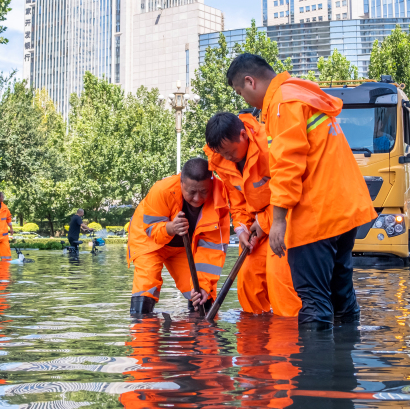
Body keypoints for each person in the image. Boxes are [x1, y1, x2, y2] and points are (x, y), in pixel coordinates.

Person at [226, 53, 376, 329]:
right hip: (343, 211)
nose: (245, 101)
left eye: (240, 92)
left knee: (313, 300)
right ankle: (344, 364)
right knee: (341, 294)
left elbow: (288, 165)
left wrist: (279, 220)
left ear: (250, 81)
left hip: (316, 216)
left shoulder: (283, 103)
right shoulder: (301, 94)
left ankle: (315, 369)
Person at [204, 111, 301, 317]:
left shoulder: (270, 146)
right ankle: (254, 339)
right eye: (223, 154)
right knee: (247, 277)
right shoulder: (221, 162)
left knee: (279, 278)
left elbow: (290, 189)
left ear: (242, 135)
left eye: (231, 152)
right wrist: (242, 230)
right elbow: (237, 203)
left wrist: (264, 223)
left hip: (286, 222)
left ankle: (290, 337)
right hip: (258, 229)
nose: (228, 158)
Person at [127, 158, 231, 316]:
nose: (197, 198)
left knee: (201, 296)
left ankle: (200, 334)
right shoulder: (161, 189)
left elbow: (213, 248)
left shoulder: (220, 198)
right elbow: (151, 229)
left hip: (184, 247)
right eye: (192, 192)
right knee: (145, 287)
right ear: (181, 182)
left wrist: (203, 286)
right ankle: (143, 335)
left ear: (211, 184)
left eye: (204, 191)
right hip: (147, 241)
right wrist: (170, 227)